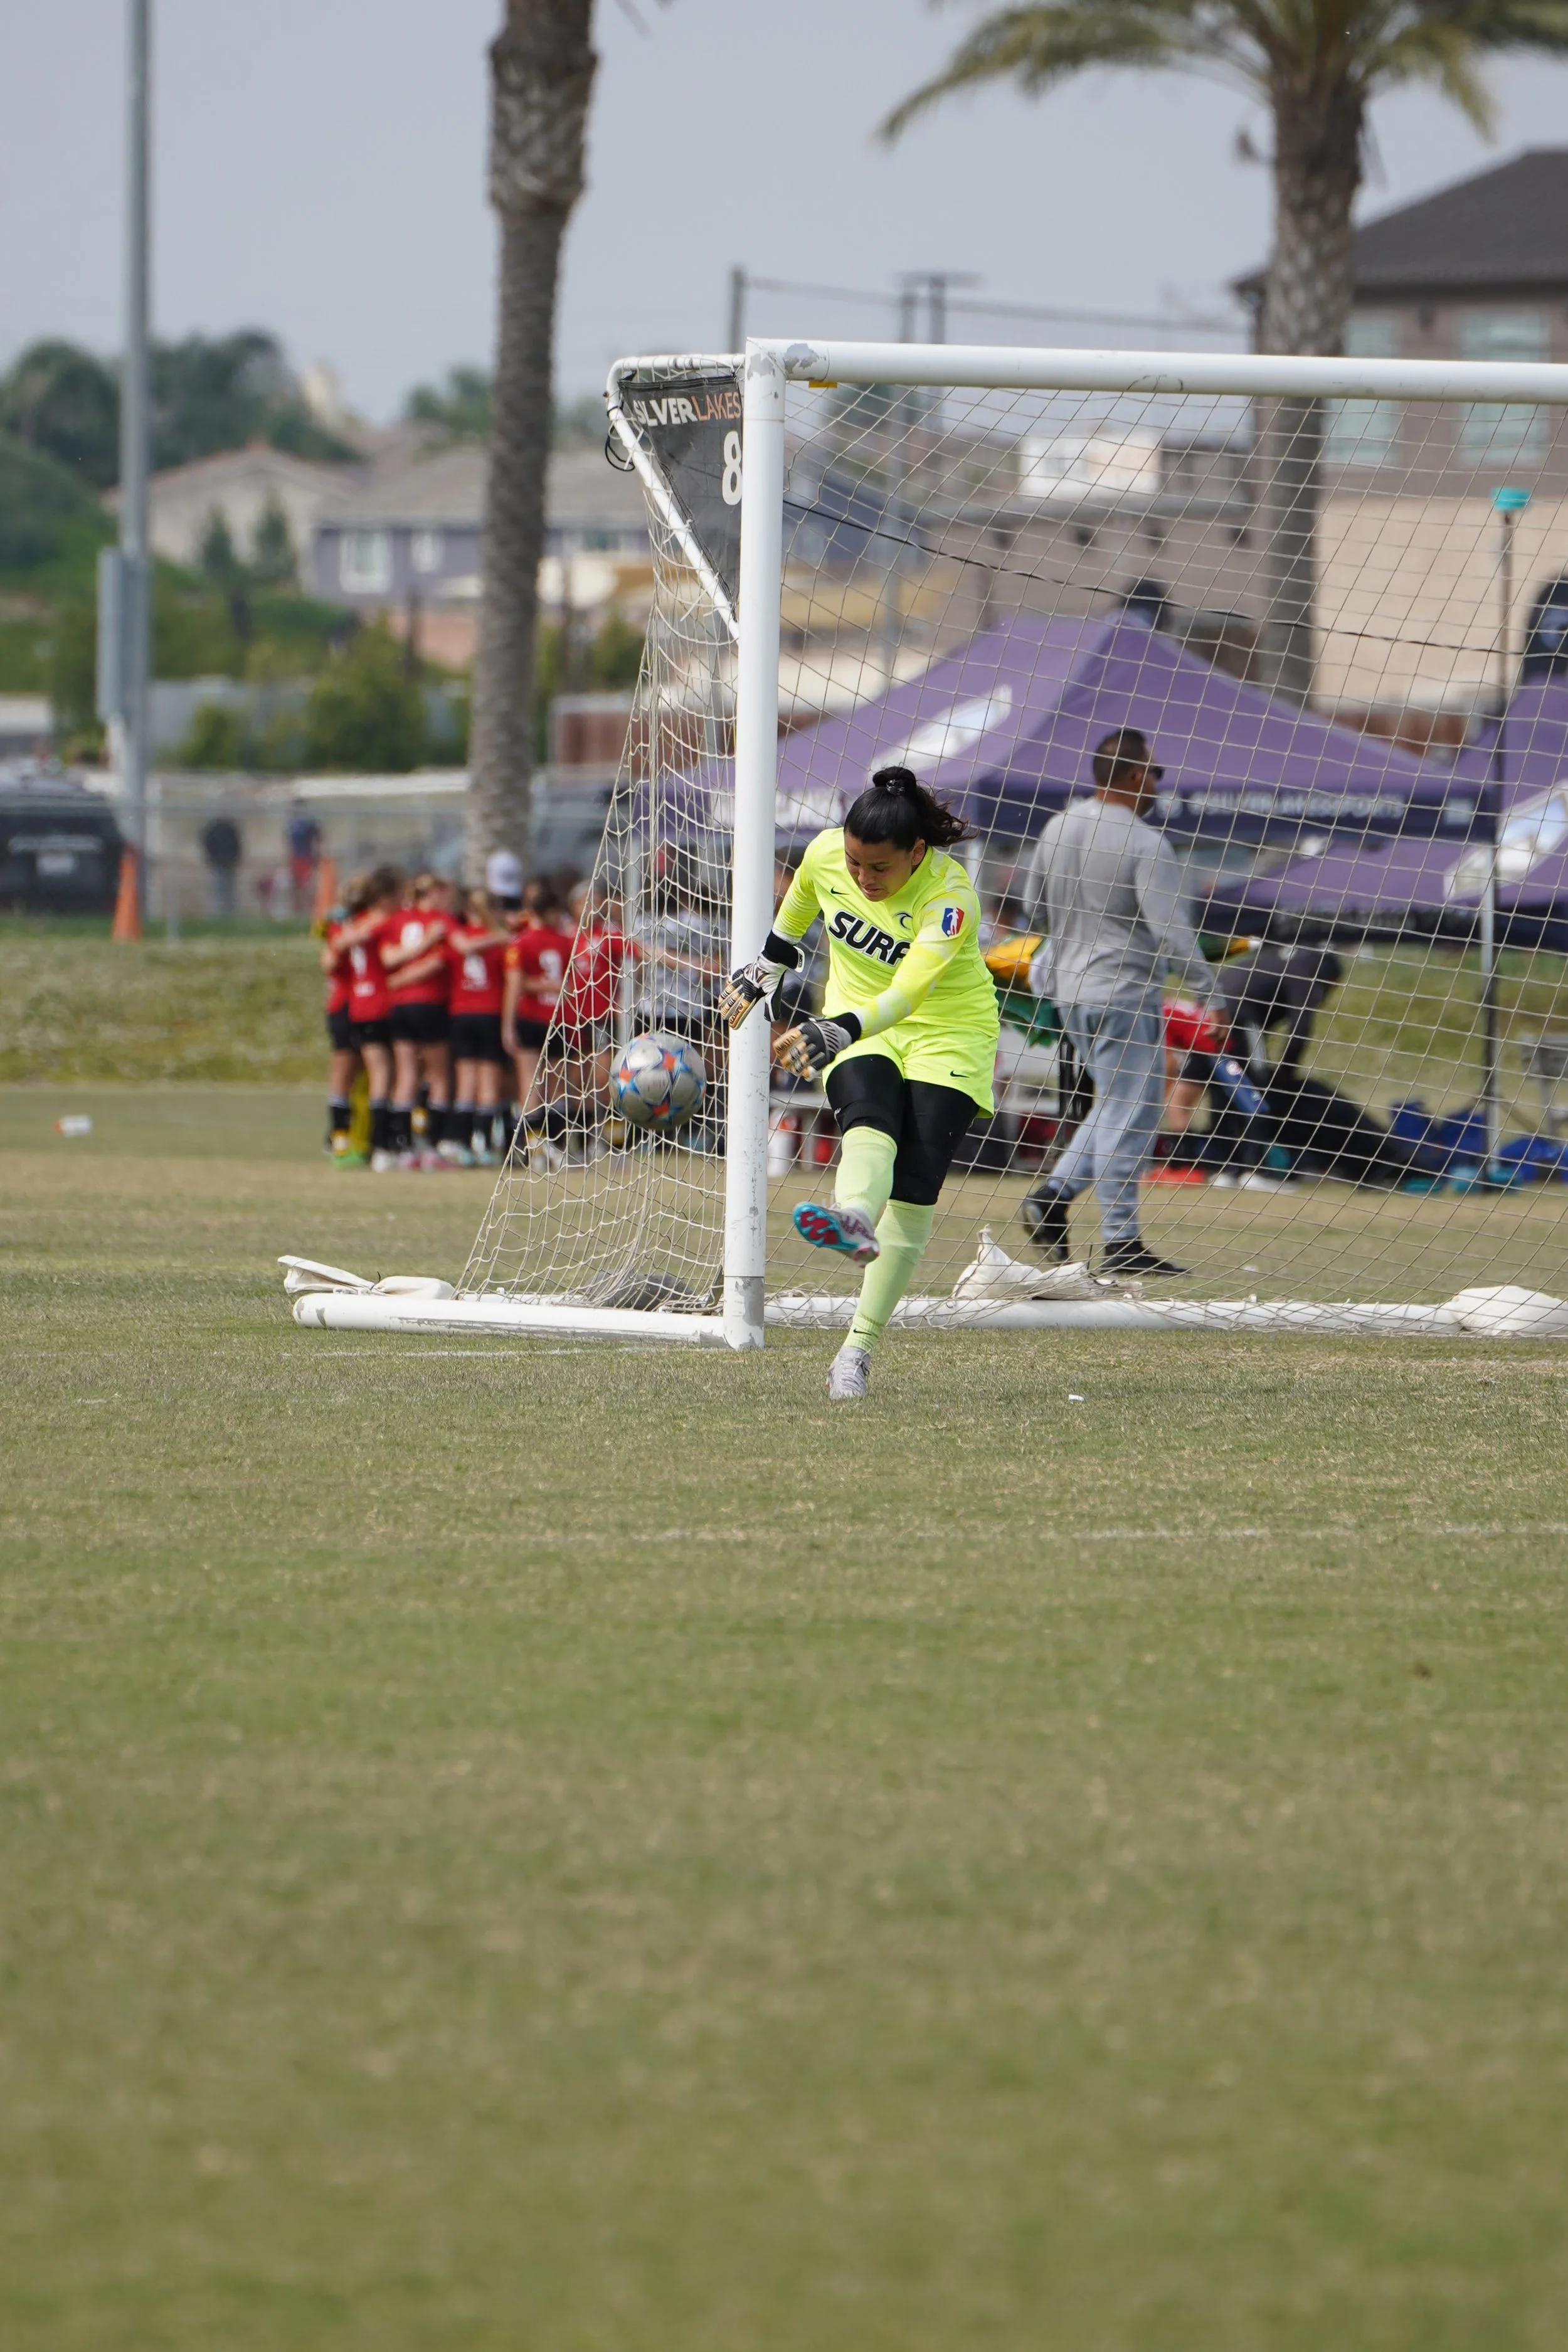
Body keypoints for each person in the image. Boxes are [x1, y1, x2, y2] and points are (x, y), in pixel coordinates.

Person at [718, 764, 999, 1402]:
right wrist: (761, 973)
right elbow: (790, 926)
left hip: (948, 1032)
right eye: (853, 864)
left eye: (879, 870)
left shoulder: (949, 895)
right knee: (867, 1121)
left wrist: (837, 1028)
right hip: (855, 1023)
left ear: (916, 854)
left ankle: (856, 1350)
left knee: (917, 1183)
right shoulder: (823, 855)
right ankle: (852, 1217)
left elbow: (909, 992)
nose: (862, 879)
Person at [1020, 726, 1216, 1277]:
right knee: (1134, 1112)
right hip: (1122, 992)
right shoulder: (1145, 842)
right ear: (1134, 776)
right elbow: (1173, 932)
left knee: (1112, 1103)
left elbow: (1033, 909)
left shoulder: (1057, 827)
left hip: (1066, 989)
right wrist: (1209, 993)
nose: (1158, 784)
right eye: (1156, 774)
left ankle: (1053, 1196)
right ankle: (1121, 1241)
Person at [381, 872, 457, 1167]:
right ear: (434, 893)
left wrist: (397, 981)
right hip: (428, 1003)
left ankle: (400, 1144)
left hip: (399, 1005)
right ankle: (431, 1145)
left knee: (407, 1073)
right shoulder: (440, 921)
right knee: (439, 1076)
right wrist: (426, 943)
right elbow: (436, 962)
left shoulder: (398, 920)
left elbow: (389, 960)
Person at [502, 877, 574, 1149]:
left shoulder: (521, 943)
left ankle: (530, 1146)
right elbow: (570, 981)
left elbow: (514, 986)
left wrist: (507, 1026)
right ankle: (557, 1146)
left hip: (530, 1017)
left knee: (529, 1082)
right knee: (556, 1085)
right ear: (553, 912)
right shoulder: (566, 941)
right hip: (557, 1018)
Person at [338, 866, 402, 1168]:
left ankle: (370, 1143)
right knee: (387, 1074)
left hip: (358, 1006)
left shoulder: (357, 924)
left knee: (378, 1074)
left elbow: (338, 945)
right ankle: (383, 1146)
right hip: (381, 1004)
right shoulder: (386, 923)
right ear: (385, 897)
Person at [448, 888, 514, 1162]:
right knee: (489, 1084)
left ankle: (463, 1145)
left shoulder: (459, 938)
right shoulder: (502, 942)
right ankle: (485, 1145)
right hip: (489, 1013)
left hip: (461, 1013)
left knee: (466, 1081)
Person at [320, 884, 361, 1162]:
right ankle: (338, 1134)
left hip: (368, 1005)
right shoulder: (342, 927)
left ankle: (358, 1133)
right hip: (345, 1005)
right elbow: (329, 961)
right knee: (343, 1072)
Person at [200, 814, 242, 918]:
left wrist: (234, 859)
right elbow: (208, 845)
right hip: (217, 864)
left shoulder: (231, 830)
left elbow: (237, 846)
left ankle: (230, 914)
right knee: (217, 890)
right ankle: (217, 914)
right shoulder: (213, 831)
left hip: (230, 864)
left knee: (229, 891)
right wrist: (213, 859)